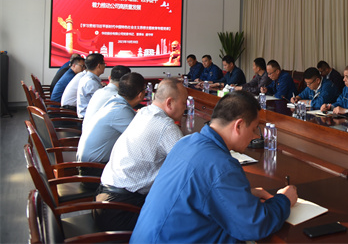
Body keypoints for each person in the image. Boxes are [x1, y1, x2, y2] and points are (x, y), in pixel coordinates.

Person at [130, 91, 297, 243]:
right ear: (238, 126)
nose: (254, 137)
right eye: (254, 129)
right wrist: (284, 200)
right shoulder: (222, 166)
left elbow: (200, 191)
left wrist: (242, 195)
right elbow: (254, 226)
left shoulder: (186, 142)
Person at [95, 78, 187, 231]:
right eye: (184, 103)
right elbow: (189, 166)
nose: (186, 108)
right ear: (169, 103)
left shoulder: (144, 112)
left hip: (103, 200)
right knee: (186, 220)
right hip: (121, 210)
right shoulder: (165, 127)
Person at [77, 73, 145, 174]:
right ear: (140, 95)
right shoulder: (121, 110)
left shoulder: (115, 101)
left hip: (89, 165)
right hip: (94, 170)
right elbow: (143, 137)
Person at [76, 53, 106, 118]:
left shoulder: (86, 78)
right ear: (99, 66)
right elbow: (102, 102)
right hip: (89, 118)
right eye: (104, 64)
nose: (105, 66)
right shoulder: (91, 82)